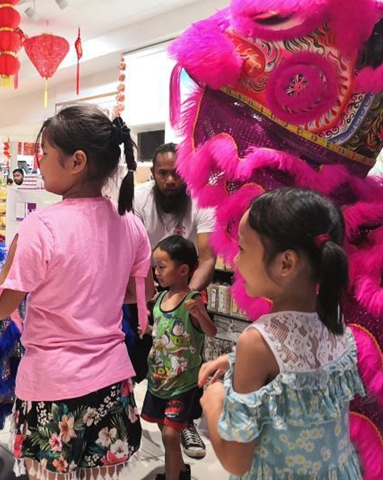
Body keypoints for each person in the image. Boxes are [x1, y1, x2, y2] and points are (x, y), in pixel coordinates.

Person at [0, 105, 153, 480]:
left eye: (43, 152)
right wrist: (95, 291)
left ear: (76, 161)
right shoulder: (130, 223)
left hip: (53, 386)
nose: (38, 162)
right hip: (112, 382)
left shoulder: (40, 227)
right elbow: (140, 291)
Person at [198, 188, 365, 479]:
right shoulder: (332, 315)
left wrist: (213, 401)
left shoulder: (258, 342)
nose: (236, 261)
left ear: (285, 263)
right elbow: (299, 370)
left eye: (243, 249)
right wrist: (233, 361)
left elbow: (236, 461)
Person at [132, 142, 216, 459]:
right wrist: (151, 300)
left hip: (186, 283)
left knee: (186, 358)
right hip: (145, 284)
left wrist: (184, 298)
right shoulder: (140, 198)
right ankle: (130, 421)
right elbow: (135, 254)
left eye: (176, 174)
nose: (170, 181)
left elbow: (207, 257)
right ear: (153, 174)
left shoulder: (202, 199)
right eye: (163, 174)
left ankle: (186, 423)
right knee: (143, 358)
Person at [142, 236, 217, 480]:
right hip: (158, 379)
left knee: (170, 435)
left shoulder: (192, 300)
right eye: (155, 267)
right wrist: (148, 330)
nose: (156, 272)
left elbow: (210, 331)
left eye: (162, 267)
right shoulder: (160, 299)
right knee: (164, 428)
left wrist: (201, 314)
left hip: (183, 382)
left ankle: (172, 476)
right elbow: (163, 330)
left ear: (183, 269)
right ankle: (180, 469)